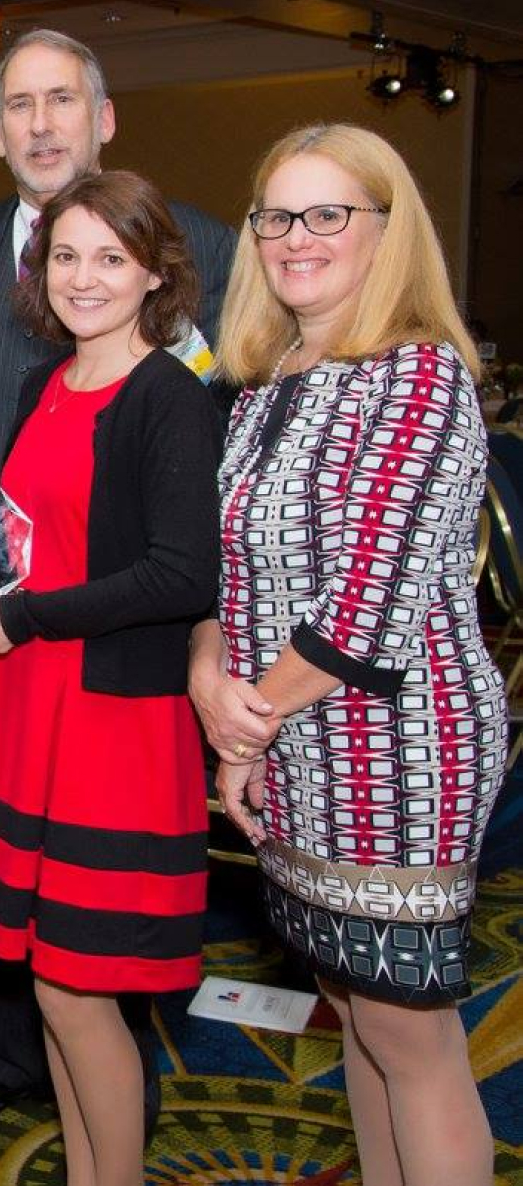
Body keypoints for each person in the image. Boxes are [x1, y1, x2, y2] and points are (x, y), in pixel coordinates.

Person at [0, 28, 234, 1127]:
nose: (39, 122)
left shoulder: (177, 336)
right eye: (18, 104)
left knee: (86, 970)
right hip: (7, 669)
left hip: (102, 686)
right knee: (33, 952)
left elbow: (185, 545)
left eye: (61, 100)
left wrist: (27, 610)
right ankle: (15, 1079)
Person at [196, 123, 503, 1186]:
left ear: (385, 228)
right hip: (291, 745)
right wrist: (234, 727)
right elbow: (231, 579)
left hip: (398, 747)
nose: (295, 237)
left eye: (328, 213)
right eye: (276, 215)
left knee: (409, 1034)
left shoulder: (418, 374)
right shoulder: (266, 376)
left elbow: (370, 600)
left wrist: (247, 715)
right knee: (354, 1014)